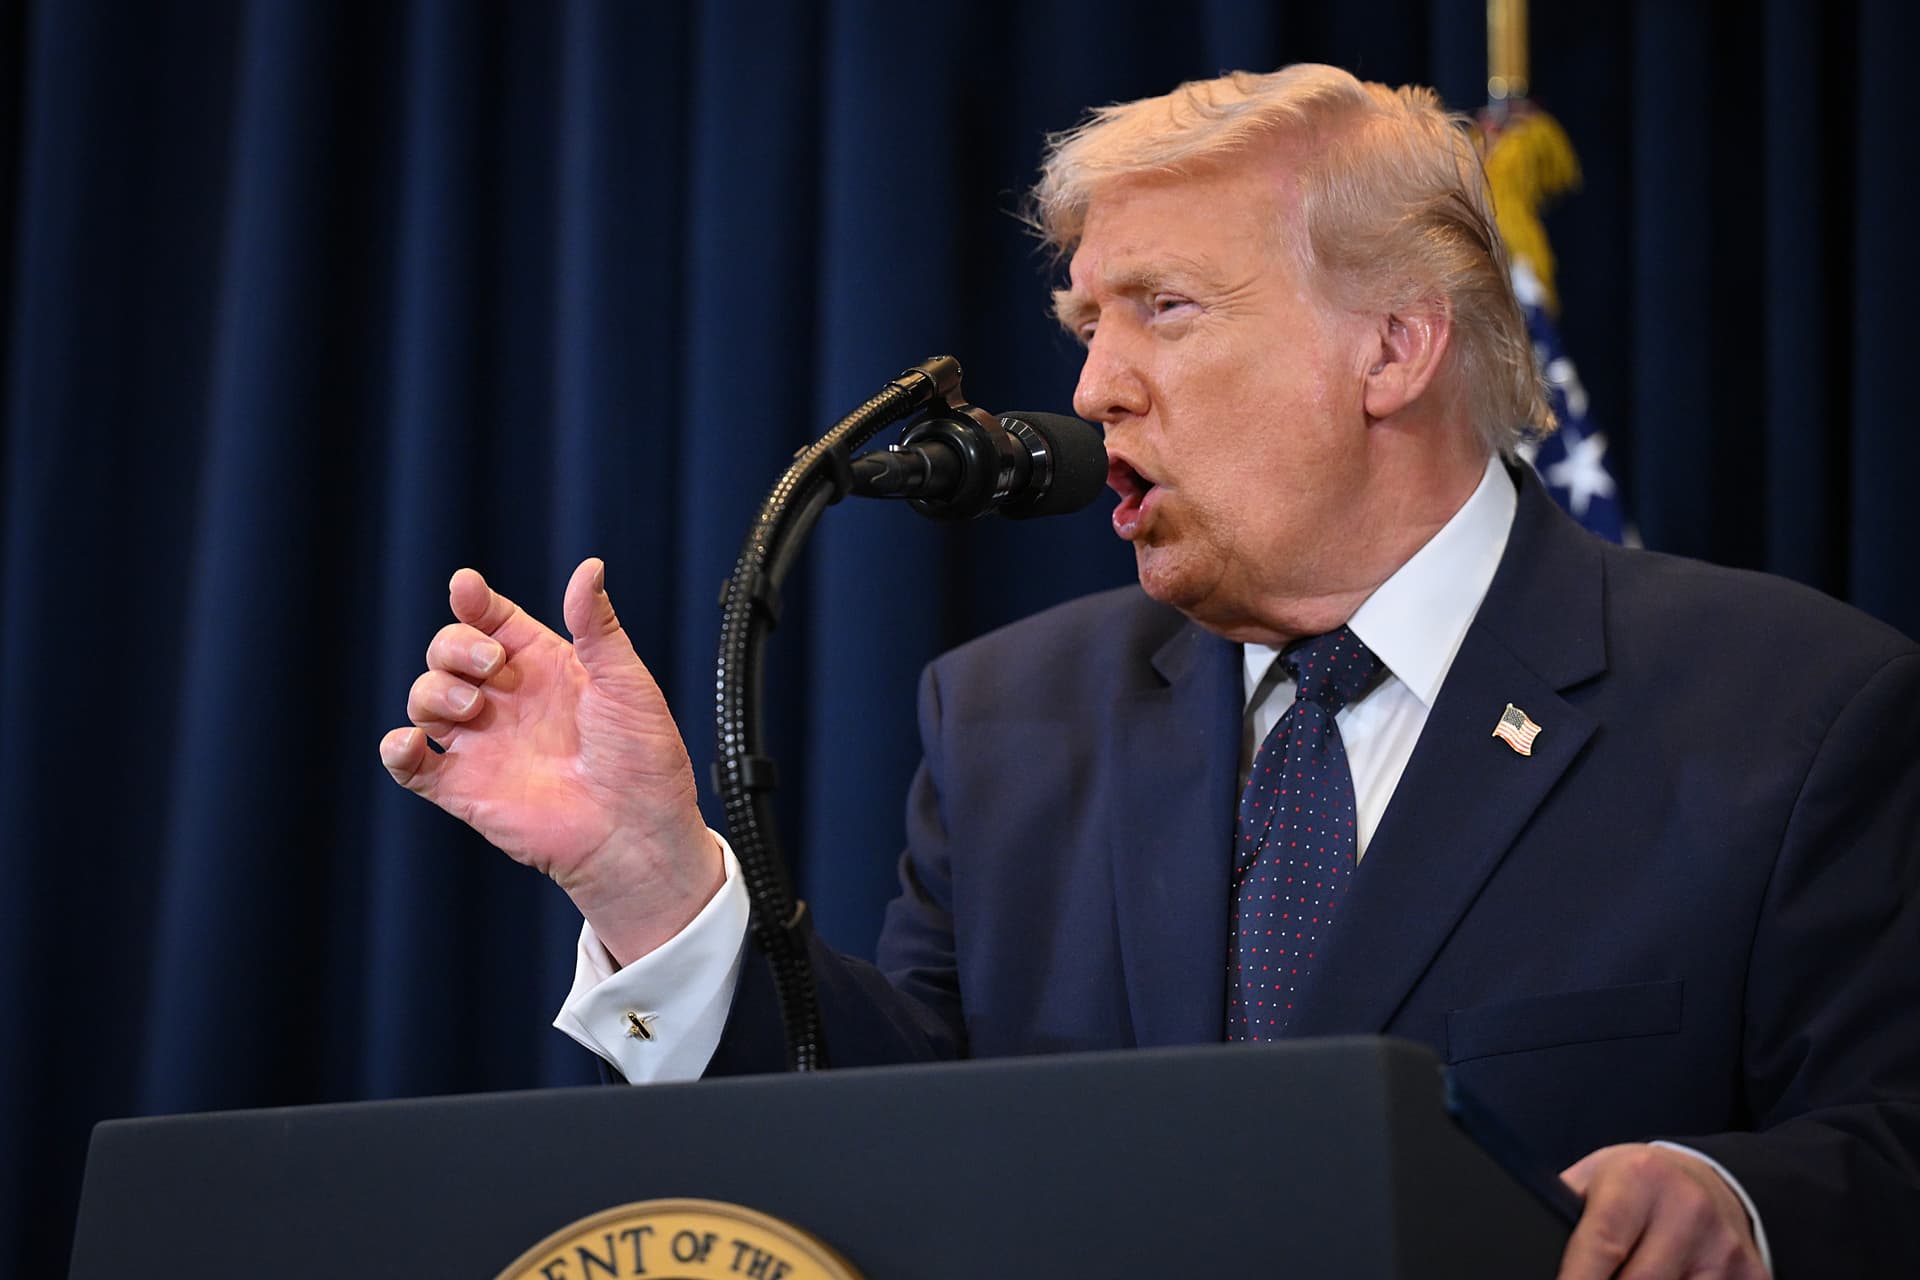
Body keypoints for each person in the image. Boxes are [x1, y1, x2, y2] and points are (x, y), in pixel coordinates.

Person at [379, 65, 1920, 1278]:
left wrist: (1745, 1198)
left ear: (1393, 347)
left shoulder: (1791, 707)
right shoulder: (1007, 722)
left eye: (1164, 312)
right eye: (1085, 322)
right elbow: (886, 1161)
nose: (1093, 385)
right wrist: (655, 884)